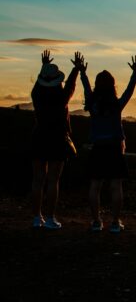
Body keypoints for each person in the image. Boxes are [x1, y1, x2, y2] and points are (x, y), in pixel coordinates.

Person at [79, 55, 136, 233]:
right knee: (116, 186)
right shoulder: (116, 105)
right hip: (114, 148)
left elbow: (86, 88)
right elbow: (129, 90)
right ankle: (115, 222)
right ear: (112, 85)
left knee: (95, 185)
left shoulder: (92, 104)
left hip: (98, 147)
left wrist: (83, 72)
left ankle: (96, 221)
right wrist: (135, 73)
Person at [31, 50, 84, 229]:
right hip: (57, 139)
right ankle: (50, 216)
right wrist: (76, 68)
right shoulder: (61, 97)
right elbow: (70, 85)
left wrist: (44, 65)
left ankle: (37, 217)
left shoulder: (36, 95)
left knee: (37, 179)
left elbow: (41, 85)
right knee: (53, 180)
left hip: (39, 136)